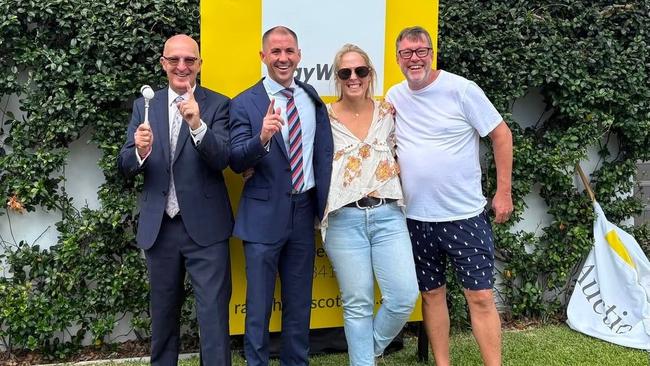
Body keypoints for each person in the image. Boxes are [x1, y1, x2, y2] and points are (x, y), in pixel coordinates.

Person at [385, 26, 513, 366]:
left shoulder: (461, 90)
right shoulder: (394, 97)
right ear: (398, 58)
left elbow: (501, 135)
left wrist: (503, 192)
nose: (414, 58)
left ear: (431, 53)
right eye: (406, 53)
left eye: (421, 51)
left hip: (464, 216)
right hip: (416, 218)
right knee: (431, 295)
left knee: (481, 296)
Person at [117, 34, 233, 366]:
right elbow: (124, 165)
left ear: (199, 64)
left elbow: (223, 158)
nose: (181, 67)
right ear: (163, 64)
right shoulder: (144, 106)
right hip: (160, 229)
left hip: (206, 229)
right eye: (174, 60)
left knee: (212, 317)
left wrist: (197, 125)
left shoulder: (218, 104)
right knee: (163, 317)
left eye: (189, 60)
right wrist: (139, 151)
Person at [229, 26, 333, 366]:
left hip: (304, 212)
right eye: (275, 52)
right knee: (258, 306)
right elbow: (235, 160)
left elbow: (322, 151)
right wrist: (261, 138)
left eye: (289, 51)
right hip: (262, 216)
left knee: (299, 302)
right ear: (263, 57)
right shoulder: (245, 103)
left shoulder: (310, 97)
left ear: (299, 55)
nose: (283, 58)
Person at [321, 44, 419, 366]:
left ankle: (365, 353)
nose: (354, 77)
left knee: (404, 296)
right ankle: (362, 360)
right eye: (345, 72)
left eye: (360, 71)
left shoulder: (388, 112)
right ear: (337, 77)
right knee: (357, 304)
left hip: (388, 215)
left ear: (370, 74)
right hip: (343, 220)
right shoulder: (325, 118)